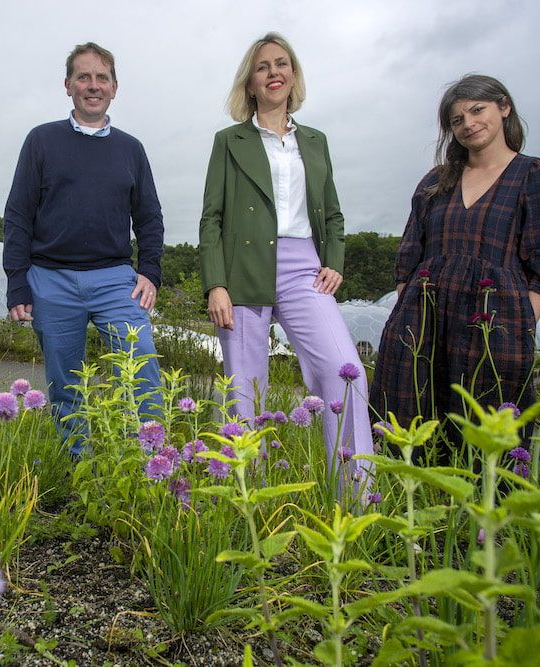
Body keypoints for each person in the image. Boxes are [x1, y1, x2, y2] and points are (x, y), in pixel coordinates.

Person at [199, 32, 373, 486]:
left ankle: (357, 498)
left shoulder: (315, 141)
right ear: (250, 83)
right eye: (263, 67)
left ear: (293, 75)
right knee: (244, 394)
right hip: (242, 273)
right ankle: (244, 502)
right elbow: (211, 218)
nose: (273, 72)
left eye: (281, 64)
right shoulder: (228, 141)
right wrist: (215, 283)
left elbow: (332, 213)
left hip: (304, 270)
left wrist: (333, 260)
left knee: (345, 375)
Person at [369, 74, 540, 456]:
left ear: (504, 107)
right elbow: (411, 250)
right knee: (411, 418)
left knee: (488, 426)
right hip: (423, 318)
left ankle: (485, 515)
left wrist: (523, 315)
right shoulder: (436, 181)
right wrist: (409, 306)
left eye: (477, 110)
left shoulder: (536, 174)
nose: (468, 124)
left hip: (494, 320)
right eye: (456, 119)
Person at [3, 42, 164, 457]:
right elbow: (18, 214)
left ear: (115, 87)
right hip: (50, 278)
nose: (93, 86)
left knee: (141, 365)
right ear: (68, 85)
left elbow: (149, 217)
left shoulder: (131, 149)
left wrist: (150, 271)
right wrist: (17, 283)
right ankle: (82, 470)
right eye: (84, 77)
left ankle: (150, 465)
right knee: (65, 383)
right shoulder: (41, 140)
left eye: (102, 78)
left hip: (115, 278)